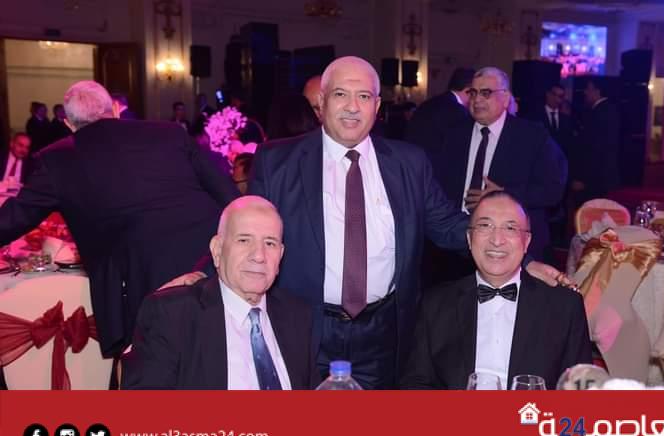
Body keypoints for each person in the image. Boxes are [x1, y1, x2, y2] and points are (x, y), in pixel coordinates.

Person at [247, 56, 565, 389]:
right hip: (304, 330)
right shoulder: (277, 162)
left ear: (377, 106)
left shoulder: (408, 163)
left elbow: (450, 226)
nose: (353, 107)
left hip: (383, 334)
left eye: (364, 96)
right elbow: (249, 236)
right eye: (341, 94)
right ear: (322, 102)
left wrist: (524, 262)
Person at [0, 80, 238, 358]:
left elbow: (12, 219)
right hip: (213, 268)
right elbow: (231, 198)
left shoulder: (57, 159)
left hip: (143, 287)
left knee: (155, 371)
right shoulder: (170, 133)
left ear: (68, 123)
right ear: (113, 109)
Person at [400, 191, 592, 390]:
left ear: (526, 242)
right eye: (485, 226)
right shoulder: (436, 304)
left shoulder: (564, 307)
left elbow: (580, 390)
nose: (497, 240)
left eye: (510, 228)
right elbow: (415, 384)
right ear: (469, 238)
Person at [122, 196, 318, 390]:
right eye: (244, 240)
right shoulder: (172, 316)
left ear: (280, 256)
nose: (259, 256)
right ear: (217, 250)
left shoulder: (297, 316)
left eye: (270, 243)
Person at [440, 67, 567, 260]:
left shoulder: (533, 136)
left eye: (486, 93)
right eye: (473, 93)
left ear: (506, 98)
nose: (477, 100)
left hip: (513, 248)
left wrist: (505, 194)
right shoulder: (454, 134)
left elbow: (553, 190)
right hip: (458, 245)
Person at [405, 67, 474, 162]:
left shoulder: (430, 103)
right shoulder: (457, 111)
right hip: (433, 164)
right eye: (475, 92)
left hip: (411, 159)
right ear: (468, 90)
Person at [572, 78, 621, 204]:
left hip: (594, 180)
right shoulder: (610, 110)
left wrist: (581, 178)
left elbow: (591, 149)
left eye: (588, 89)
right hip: (606, 177)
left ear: (597, 91)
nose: (585, 92)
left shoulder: (597, 114)